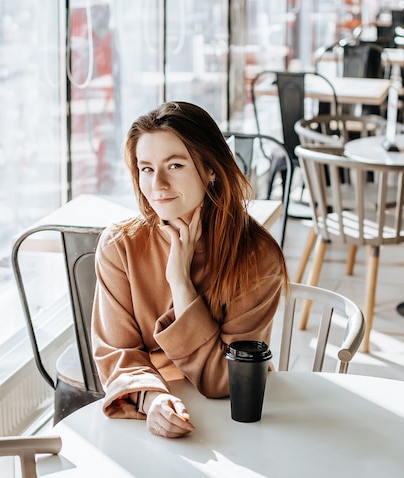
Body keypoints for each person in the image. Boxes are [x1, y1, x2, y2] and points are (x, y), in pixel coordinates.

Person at [91, 101, 289, 438]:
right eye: (147, 168)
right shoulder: (120, 246)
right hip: (151, 414)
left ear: (211, 168)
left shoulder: (257, 255)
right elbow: (119, 354)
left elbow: (222, 380)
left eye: (175, 165)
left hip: (240, 421)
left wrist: (180, 284)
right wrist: (153, 400)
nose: (158, 185)